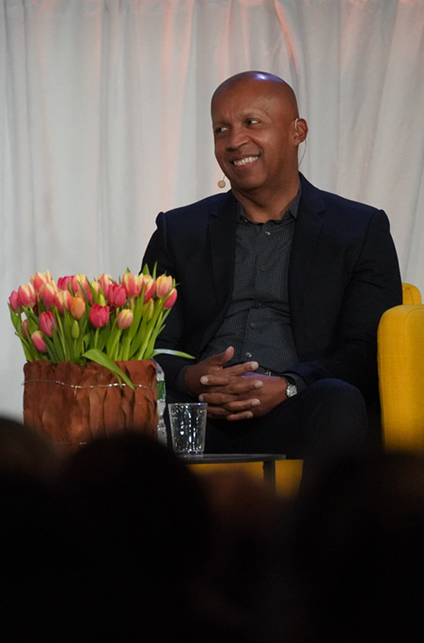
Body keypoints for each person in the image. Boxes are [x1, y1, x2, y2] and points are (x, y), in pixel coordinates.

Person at [142, 70, 402, 461]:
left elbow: (365, 351)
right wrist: (191, 378)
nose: (234, 142)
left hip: (298, 410)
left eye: (251, 123)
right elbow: (151, 344)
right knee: (128, 403)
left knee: (339, 401)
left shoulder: (359, 229)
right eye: (221, 130)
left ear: (297, 131)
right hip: (197, 413)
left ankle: (322, 524)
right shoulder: (178, 231)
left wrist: (289, 384)